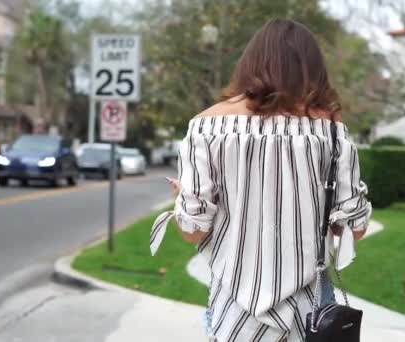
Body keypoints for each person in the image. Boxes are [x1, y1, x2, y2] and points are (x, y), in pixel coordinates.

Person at [150, 18, 372, 341]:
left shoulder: (205, 128)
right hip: (310, 315)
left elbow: (193, 230)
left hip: (234, 314)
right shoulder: (332, 134)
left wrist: (184, 198)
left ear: (250, 65)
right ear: (312, 69)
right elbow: (355, 229)